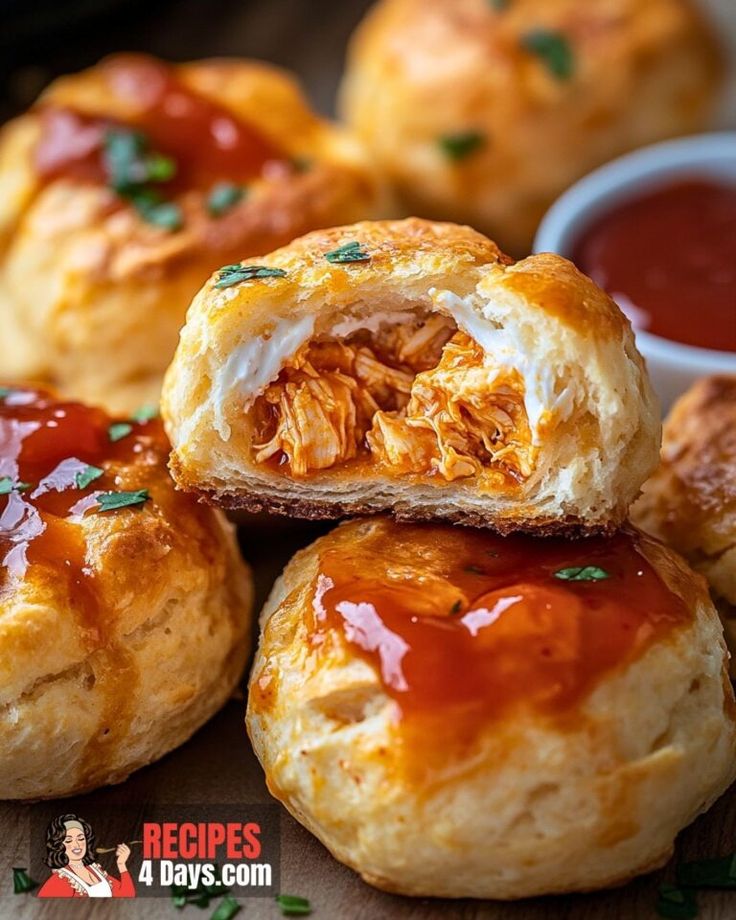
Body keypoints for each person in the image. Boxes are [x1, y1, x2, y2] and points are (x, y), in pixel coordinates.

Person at [37, 814, 135, 898]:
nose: (77, 845)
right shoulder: (59, 881)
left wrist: (121, 864)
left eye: (81, 838)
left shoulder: (95, 870)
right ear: (58, 845)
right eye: (68, 841)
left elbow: (127, 896)